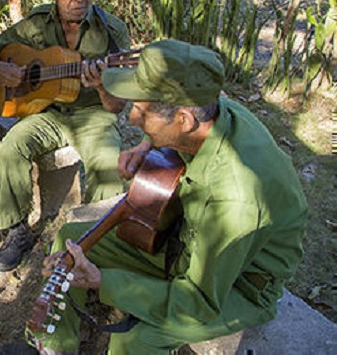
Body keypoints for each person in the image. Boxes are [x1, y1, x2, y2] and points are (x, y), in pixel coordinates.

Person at [26, 39, 308, 354]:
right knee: (69, 237)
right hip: (185, 240)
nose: (132, 118)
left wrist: (102, 281)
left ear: (184, 120)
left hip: (237, 284)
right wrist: (148, 144)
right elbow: (187, 126)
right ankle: (54, 346)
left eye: (141, 110)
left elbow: (197, 302)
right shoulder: (210, 106)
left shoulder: (235, 200)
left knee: (134, 341)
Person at [0, 0, 131, 272]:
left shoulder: (112, 31)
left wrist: (101, 86)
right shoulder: (36, 23)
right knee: (11, 146)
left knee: (107, 163)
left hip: (93, 114)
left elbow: (116, 107)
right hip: (46, 111)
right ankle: (17, 229)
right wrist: (1, 68)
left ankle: (92, 241)